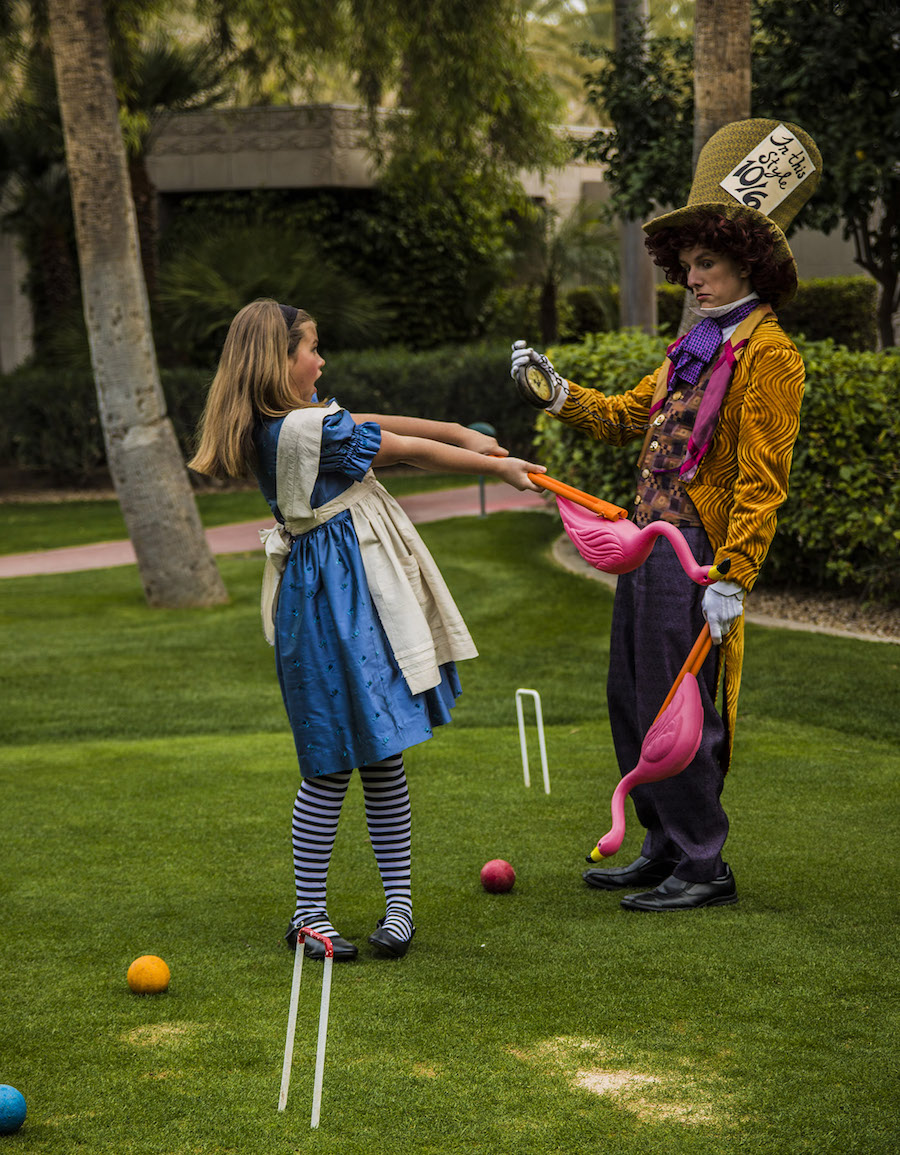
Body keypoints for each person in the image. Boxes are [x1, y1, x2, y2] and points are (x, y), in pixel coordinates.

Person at [510, 119, 822, 912]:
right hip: (647, 545)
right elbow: (623, 416)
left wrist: (735, 575)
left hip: (696, 556)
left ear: (746, 262)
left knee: (682, 710)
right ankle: (659, 844)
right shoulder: (695, 346)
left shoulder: (769, 354)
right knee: (634, 695)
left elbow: (762, 478)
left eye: (706, 262)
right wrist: (560, 392)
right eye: (686, 265)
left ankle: (702, 862)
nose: (693, 277)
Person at [190, 298, 545, 959]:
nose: (321, 360)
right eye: (311, 349)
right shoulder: (300, 431)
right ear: (279, 360)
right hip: (335, 602)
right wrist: (496, 468)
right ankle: (308, 916)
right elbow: (400, 448)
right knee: (329, 763)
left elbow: (371, 424)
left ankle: (399, 910)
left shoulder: (300, 419)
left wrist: (460, 431)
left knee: (381, 752)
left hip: (345, 594)